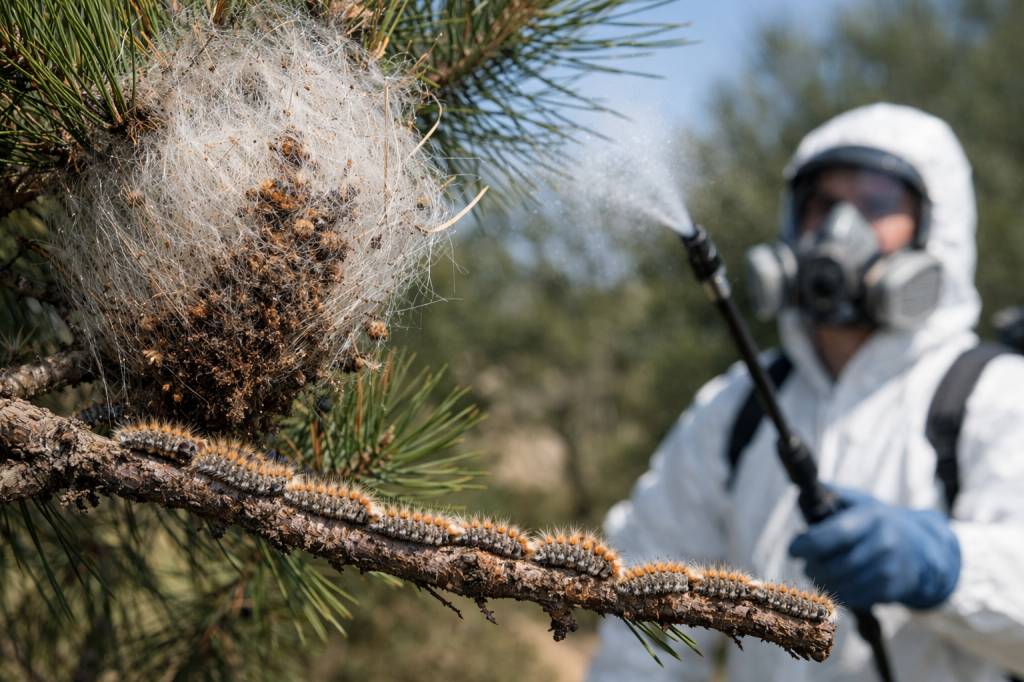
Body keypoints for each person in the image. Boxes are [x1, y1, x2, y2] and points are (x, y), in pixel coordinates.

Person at [586, 103, 1024, 682]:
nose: (839, 229)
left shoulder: (995, 395)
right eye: (821, 204)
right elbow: (646, 606)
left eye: (876, 205)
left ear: (934, 229)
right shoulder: (738, 405)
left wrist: (946, 567)